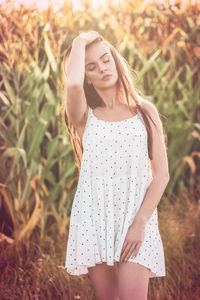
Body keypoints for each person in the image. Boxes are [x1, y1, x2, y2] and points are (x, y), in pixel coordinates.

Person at [62, 31, 170, 300]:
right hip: (93, 219)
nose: (102, 68)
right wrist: (79, 41)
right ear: (87, 76)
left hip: (136, 218)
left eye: (105, 59)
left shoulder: (145, 112)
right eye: (92, 67)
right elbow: (73, 87)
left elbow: (162, 175)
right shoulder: (85, 116)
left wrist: (140, 222)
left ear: (115, 60)